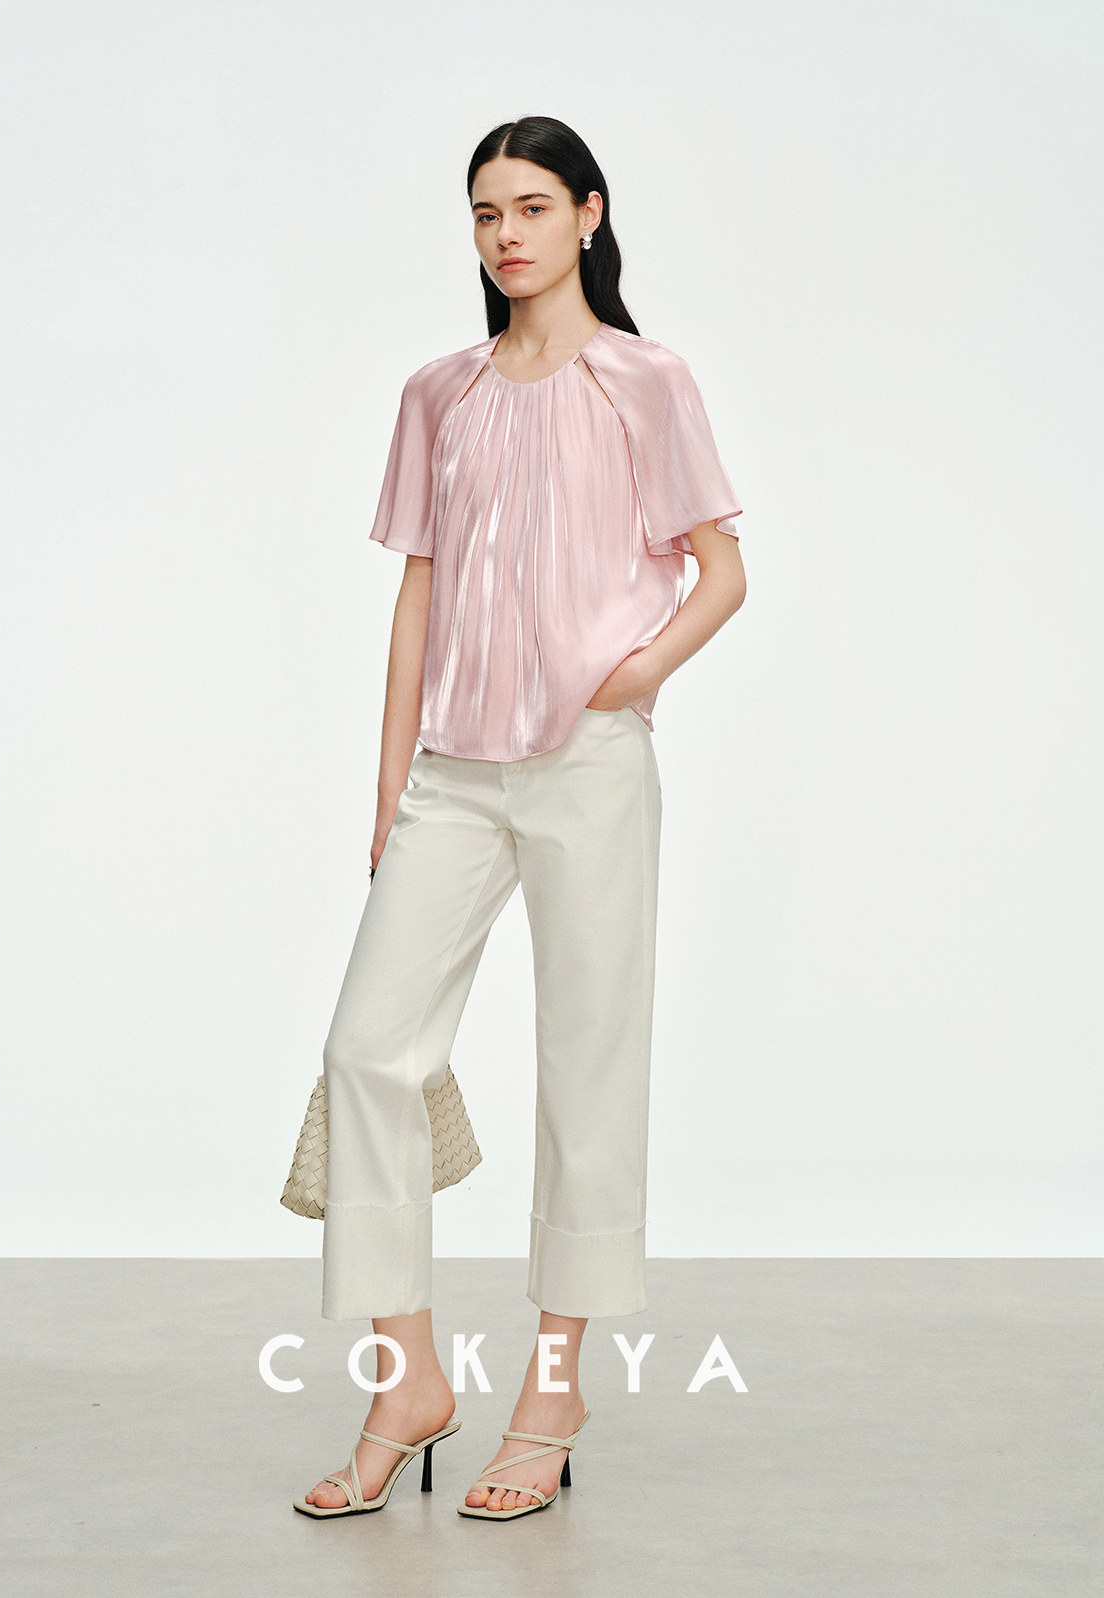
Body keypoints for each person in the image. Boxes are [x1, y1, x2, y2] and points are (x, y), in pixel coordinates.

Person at [296, 114, 746, 1521]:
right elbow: (420, 588)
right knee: (370, 1050)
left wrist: (635, 675)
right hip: (453, 771)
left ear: (589, 216)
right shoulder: (440, 391)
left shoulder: (645, 380)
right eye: (488, 211)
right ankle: (407, 1381)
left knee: (587, 1062)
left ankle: (554, 1390)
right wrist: (392, 782)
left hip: (590, 765)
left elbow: (723, 572)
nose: (507, 234)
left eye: (534, 206)